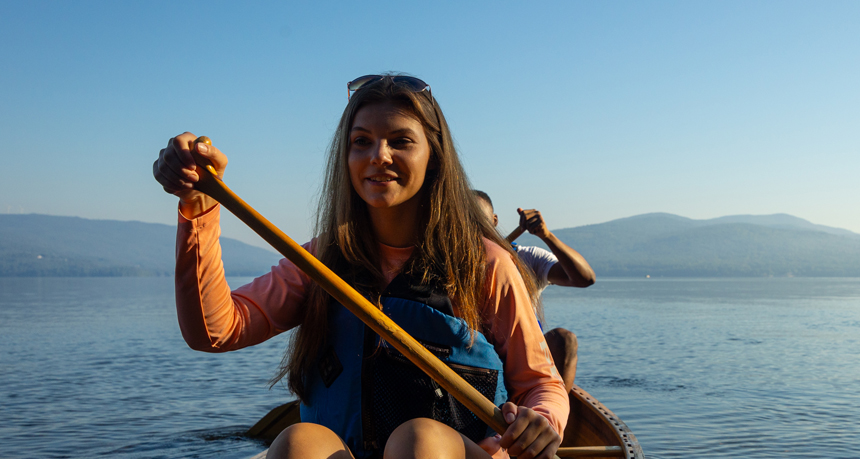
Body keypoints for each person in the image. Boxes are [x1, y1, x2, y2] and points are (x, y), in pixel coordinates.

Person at [152, 74, 567, 459]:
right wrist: (200, 206)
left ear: (434, 156)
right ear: (346, 156)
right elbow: (214, 331)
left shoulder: (485, 264)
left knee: (418, 441)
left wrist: (542, 421)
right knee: (299, 442)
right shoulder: (319, 261)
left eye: (401, 141)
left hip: (455, 450)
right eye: (362, 141)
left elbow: (541, 384)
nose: (379, 156)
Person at [472, 191, 594, 392]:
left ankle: (556, 415)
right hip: (476, 358)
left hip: (527, 356)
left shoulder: (527, 258)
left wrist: (546, 235)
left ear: (494, 221)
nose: (474, 229)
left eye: (480, 221)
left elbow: (585, 278)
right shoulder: (449, 263)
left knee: (565, 340)